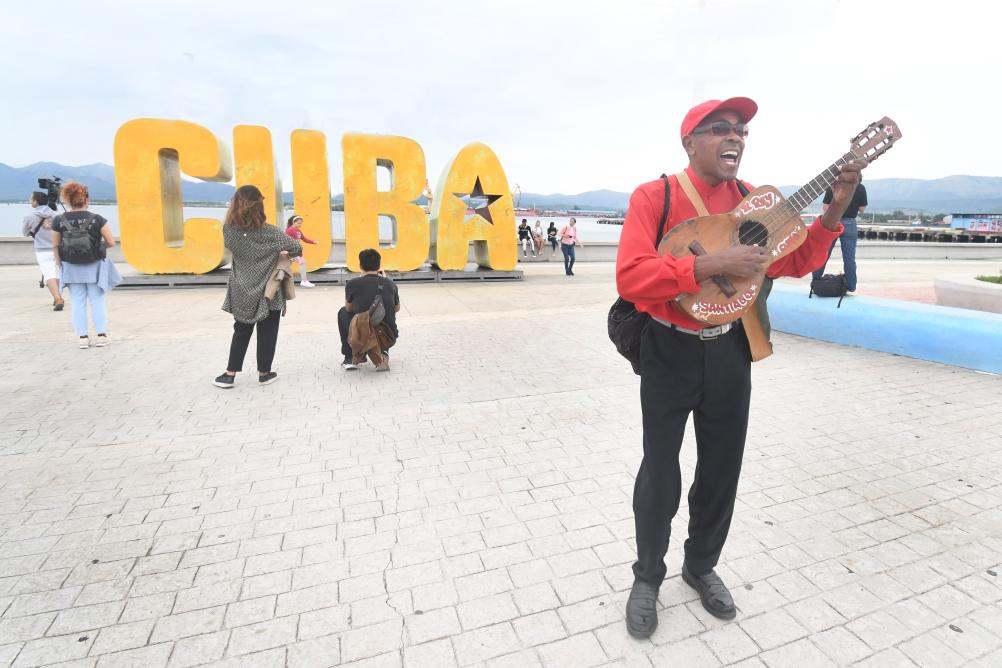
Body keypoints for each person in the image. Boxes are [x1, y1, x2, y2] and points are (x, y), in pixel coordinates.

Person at [615, 97, 863, 638]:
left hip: (730, 348)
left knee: (722, 466)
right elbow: (631, 278)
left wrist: (834, 210)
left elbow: (799, 261)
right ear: (690, 141)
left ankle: (701, 566)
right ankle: (648, 576)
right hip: (667, 347)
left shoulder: (757, 202)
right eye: (721, 128)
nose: (736, 137)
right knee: (660, 468)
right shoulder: (653, 197)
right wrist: (709, 263)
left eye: (742, 130)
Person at [213, 185, 302, 388]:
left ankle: (230, 374)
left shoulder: (228, 230)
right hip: (269, 290)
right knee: (268, 331)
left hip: (241, 288)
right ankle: (264, 373)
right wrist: (280, 253)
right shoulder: (270, 232)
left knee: (241, 330)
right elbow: (296, 247)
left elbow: (236, 247)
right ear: (260, 205)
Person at [51, 181, 119, 348]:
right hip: (94, 265)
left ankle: (82, 338)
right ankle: (101, 336)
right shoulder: (97, 219)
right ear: (86, 200)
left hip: (71, 266)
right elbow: (111, 242)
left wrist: (60, 264)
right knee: (97, 300)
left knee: (77, 301)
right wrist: (97, 248)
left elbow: (55, 245)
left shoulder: (58, 220)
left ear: (67, 200)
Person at [338, 248, 400, 371]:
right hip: (388, 335)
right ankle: (383, 353)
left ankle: (349, 357)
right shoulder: (390, 284)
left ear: (360, 265)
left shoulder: (352, 283)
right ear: (379, 266)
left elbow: (349, 308)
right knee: (385, 315)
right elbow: (397, 308)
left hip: (363, 333)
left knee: (343, 312)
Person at [812, 175, 867, 292]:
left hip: (833, 222)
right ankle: (851, 286)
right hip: (850, 224)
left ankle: (815, 281)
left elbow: (825, 207)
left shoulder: (833, 186)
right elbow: (862, 209)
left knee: (823, 253)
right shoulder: (860, 187)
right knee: (849, 258)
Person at [22, 191, 63, 310]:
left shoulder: (29, 216)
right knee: (57, 274)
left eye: (32, 199)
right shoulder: (56, 215)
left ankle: (57, 298)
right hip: (57, 249)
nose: (31, 201)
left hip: (42, 250)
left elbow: (24, 233)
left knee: (48, 274)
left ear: (36, 201)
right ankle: (59, 296)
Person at [285, 214, 317, 287]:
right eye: (298, 223)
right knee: (301, 262)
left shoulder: (298, 230)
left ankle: (302, 281)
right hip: (291, 250)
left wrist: (313, 242)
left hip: (297, 250)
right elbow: (284, 240)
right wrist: (286, 250)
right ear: (293, 222)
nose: (300, 224)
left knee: (288, 265)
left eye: (301, 223)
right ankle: (304, 281)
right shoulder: (290, 230)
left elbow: (304, 239)